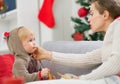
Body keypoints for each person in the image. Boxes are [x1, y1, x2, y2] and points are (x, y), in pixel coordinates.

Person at [33, 0, 120, 83]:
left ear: (105, 15)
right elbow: (87, 59)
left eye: (92, 14)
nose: (89, 19)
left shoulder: (118, 25)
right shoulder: (112, 36)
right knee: (67, 78)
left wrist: (83, 79)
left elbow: (116, 62)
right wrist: (48, 55)